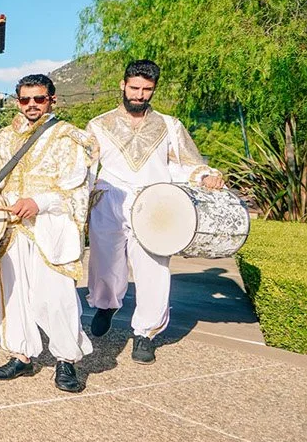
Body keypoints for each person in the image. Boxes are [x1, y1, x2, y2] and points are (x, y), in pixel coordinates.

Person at [0, 74, 97, 393]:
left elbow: (77, 191)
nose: (32, 105)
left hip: (51, 229)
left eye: (39, 99)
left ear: (52, 100)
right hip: (13, 229)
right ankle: (21, 355)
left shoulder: (69, 138)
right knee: (14, 295)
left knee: (55, 298)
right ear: (17, 101)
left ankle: (66, 361)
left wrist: (39, 203)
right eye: (25, 99)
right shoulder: (8, 137)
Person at [85, 59, 225, 363]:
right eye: (134, 88)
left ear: (153, 90)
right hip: (108, 201)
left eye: (147, 90)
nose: (139, 95)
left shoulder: (170, 125)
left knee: (153, 267)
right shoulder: (98, 125)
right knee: (105, 262)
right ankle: (106, 304)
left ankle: (145, 333)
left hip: (155, 205)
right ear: (122, 85)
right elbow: (83, 166)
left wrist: (205, 176)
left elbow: (188, 162)